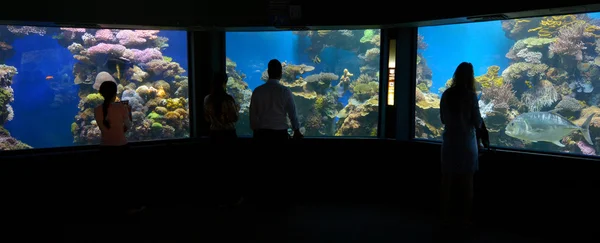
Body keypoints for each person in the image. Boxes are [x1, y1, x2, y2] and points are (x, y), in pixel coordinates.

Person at [439, 62, 483, 229]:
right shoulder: (471, 96)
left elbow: (443, 119)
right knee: (467, 182)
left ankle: (445, 218)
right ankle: (465, 219)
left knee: (447, 181)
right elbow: (477, 121)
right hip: (466, 143)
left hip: (449, 142)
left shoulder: (446, 94)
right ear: (470, 77)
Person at [249, 59, 303, 141]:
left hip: (261, 133)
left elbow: (252, 114)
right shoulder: (285, 91)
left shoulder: (257, 91)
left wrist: (255, 130)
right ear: (281, 73)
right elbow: (292, 113)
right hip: (280, 133)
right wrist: (296, 130)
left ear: (268, 73)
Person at [94, 72, 132, 150]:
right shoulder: (121, 107)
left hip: (104, 146)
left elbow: (106, 129)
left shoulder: (96, 110)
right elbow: (128, 126)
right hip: (121, 145)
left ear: (101, 93)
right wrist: (129, 112)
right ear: (115, 94)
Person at [204, 72, 240, 143]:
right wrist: (237, 109)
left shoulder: (207, 99)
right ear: (224, 83)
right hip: (228, 134)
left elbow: (207, 118)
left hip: (214, 134)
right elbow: (234, 118)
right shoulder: (228, 99)